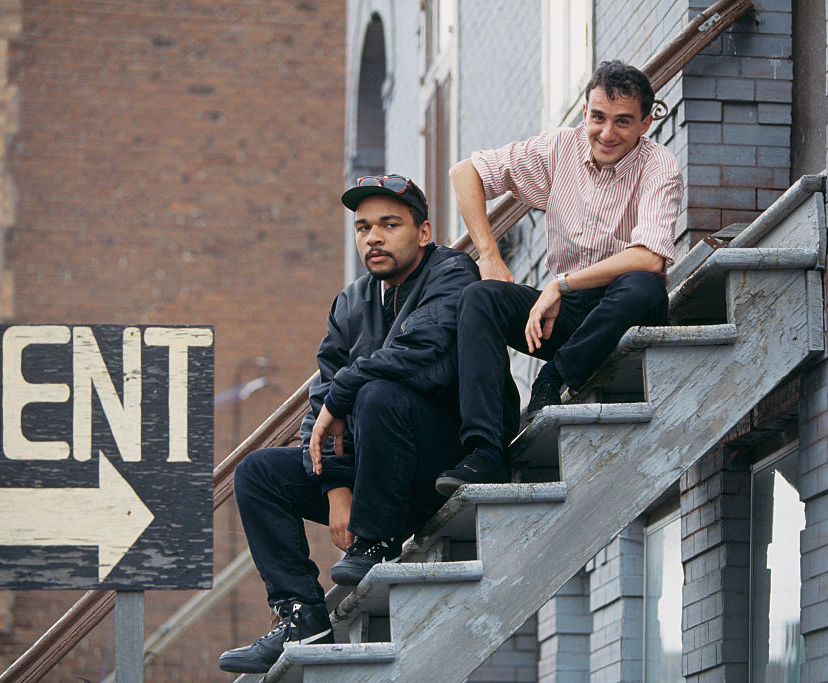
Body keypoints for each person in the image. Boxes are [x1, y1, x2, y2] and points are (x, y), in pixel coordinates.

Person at [219, 175, 479, 674]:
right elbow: (321, 403)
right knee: (258, 472)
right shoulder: (353, 301)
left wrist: (344, 391)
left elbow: (421, 356)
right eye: (363, 228)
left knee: (382, 392)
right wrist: (338, 487)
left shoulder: (453, 274)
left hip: (439, 465)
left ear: (423, 232)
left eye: (389, 225)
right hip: (371, 476)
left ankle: (377, 542)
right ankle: (302, 616)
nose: (373, 238)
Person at [435, 60, 684, 495]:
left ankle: (553, 378)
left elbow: (648, 260)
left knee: (641, 287)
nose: (607, 133)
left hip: (620, 310)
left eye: (623, 122)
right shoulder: (559, 149)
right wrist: (490, 256)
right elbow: (465, 172)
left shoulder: (659, 165)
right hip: (565, 316)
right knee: (479, 297)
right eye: (598, 117)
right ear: (585, 112)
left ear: (645, 123)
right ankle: (485, 450)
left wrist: (560, 284)